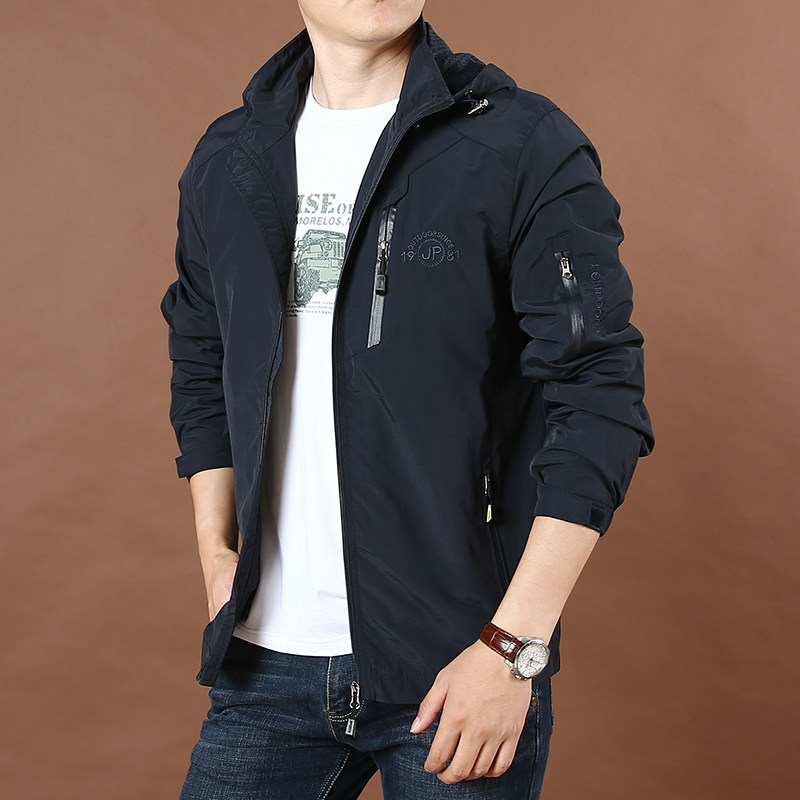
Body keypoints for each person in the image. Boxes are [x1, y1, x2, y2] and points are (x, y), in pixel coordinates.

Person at [161, 1, 654, 797]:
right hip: (265, 668)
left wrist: (511, 649)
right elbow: (201, 357)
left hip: (460, 662)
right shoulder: (230, 157)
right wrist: (217, 553)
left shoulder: (520, 143)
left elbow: (600, 392)